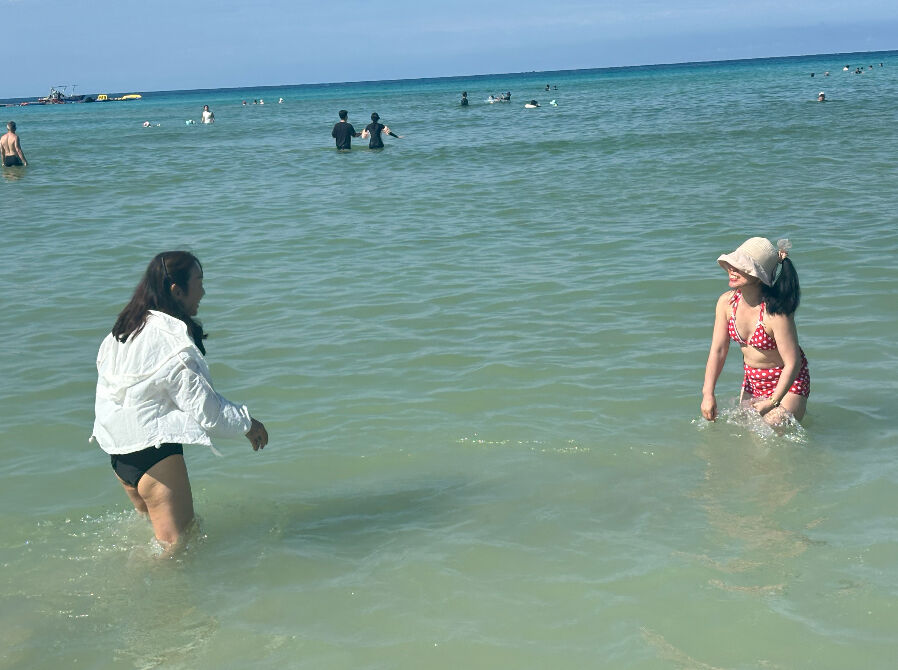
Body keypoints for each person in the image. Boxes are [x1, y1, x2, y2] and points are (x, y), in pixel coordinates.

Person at [90, 252, 269, 552]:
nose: (203, 291)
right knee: (178, 550)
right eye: (199, 282)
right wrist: (247, 424)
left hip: (119, 454)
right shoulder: (172, 341)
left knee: (157, 546)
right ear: (176, 290)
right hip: (154, 455)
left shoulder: (123, 330)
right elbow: (207, 411)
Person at [701, 237, 810, 425]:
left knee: (775, 425)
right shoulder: (726, 304)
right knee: (747, 433)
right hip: (754, 380)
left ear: (759, 276)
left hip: (789, 381)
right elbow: (718, 350)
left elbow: (793, 363)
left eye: (740, 266)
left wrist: (773, 401)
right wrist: (708, 393)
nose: (732, 269)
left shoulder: (775, 314)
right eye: (732, 264)